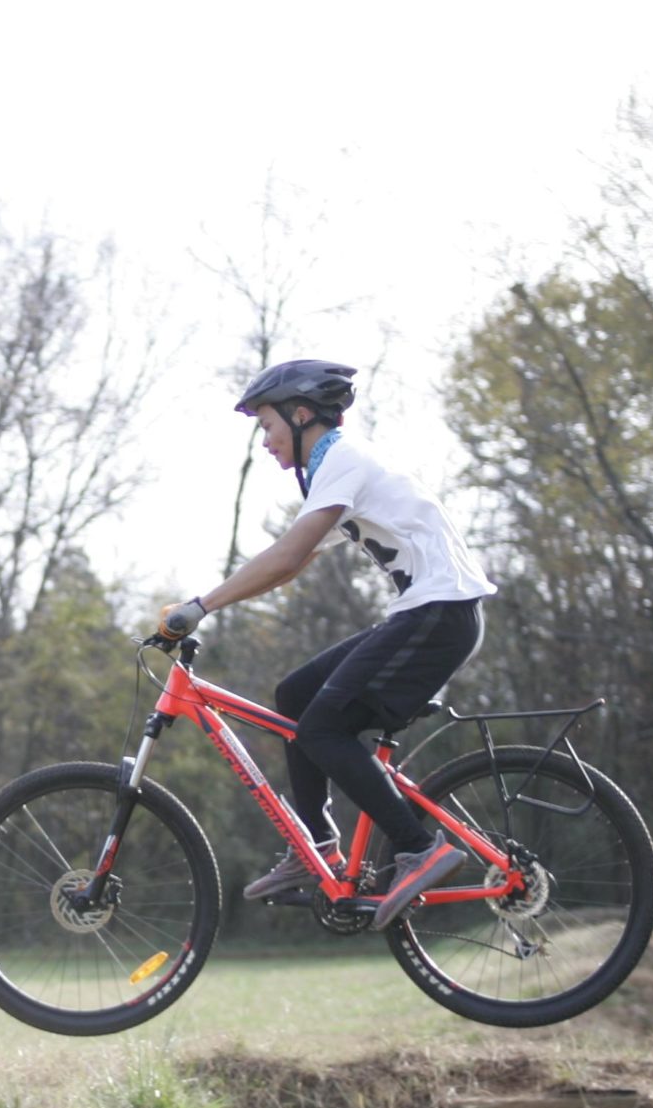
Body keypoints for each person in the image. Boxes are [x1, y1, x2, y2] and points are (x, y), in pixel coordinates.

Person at [158, 359, 497, 930]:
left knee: (322, 730)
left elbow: (287, 557)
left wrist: (201, 606)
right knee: (295, 694)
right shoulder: (334, 472)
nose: (265, 442)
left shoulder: (344, 460)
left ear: (302, 413)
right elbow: (288, 564)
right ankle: (316, 848)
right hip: (428, 614)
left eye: (267, 427)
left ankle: (420, 848)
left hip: (440, 615)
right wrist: (208, 604)